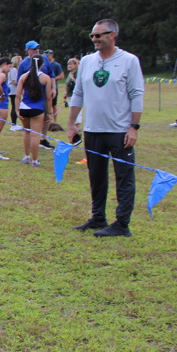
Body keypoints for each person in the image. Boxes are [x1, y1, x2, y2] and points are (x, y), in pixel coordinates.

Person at [68, 19, 144, 237]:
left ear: (113, 35)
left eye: (99, 35)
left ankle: (122, 224)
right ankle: (98, 217)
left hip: (119, 131)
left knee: (124, 177)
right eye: (92, 35)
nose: (95, 39)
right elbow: (78, 93)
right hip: (93, 130)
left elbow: (136, 94)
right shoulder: (87, 61)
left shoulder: (129, 60)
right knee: (96, 176)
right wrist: (72, 124)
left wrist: (133, 127)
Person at [16, 55, 55, 166]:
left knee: (27, 132)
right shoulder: (45, 78)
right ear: (42, 65)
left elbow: (18, 95)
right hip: (37, 109)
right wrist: (49, 112)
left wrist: (17, 110)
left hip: (24, 108)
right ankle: (35, 160)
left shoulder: (24, 76)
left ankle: (27, 157)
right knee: (35, 135)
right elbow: (48, 98)